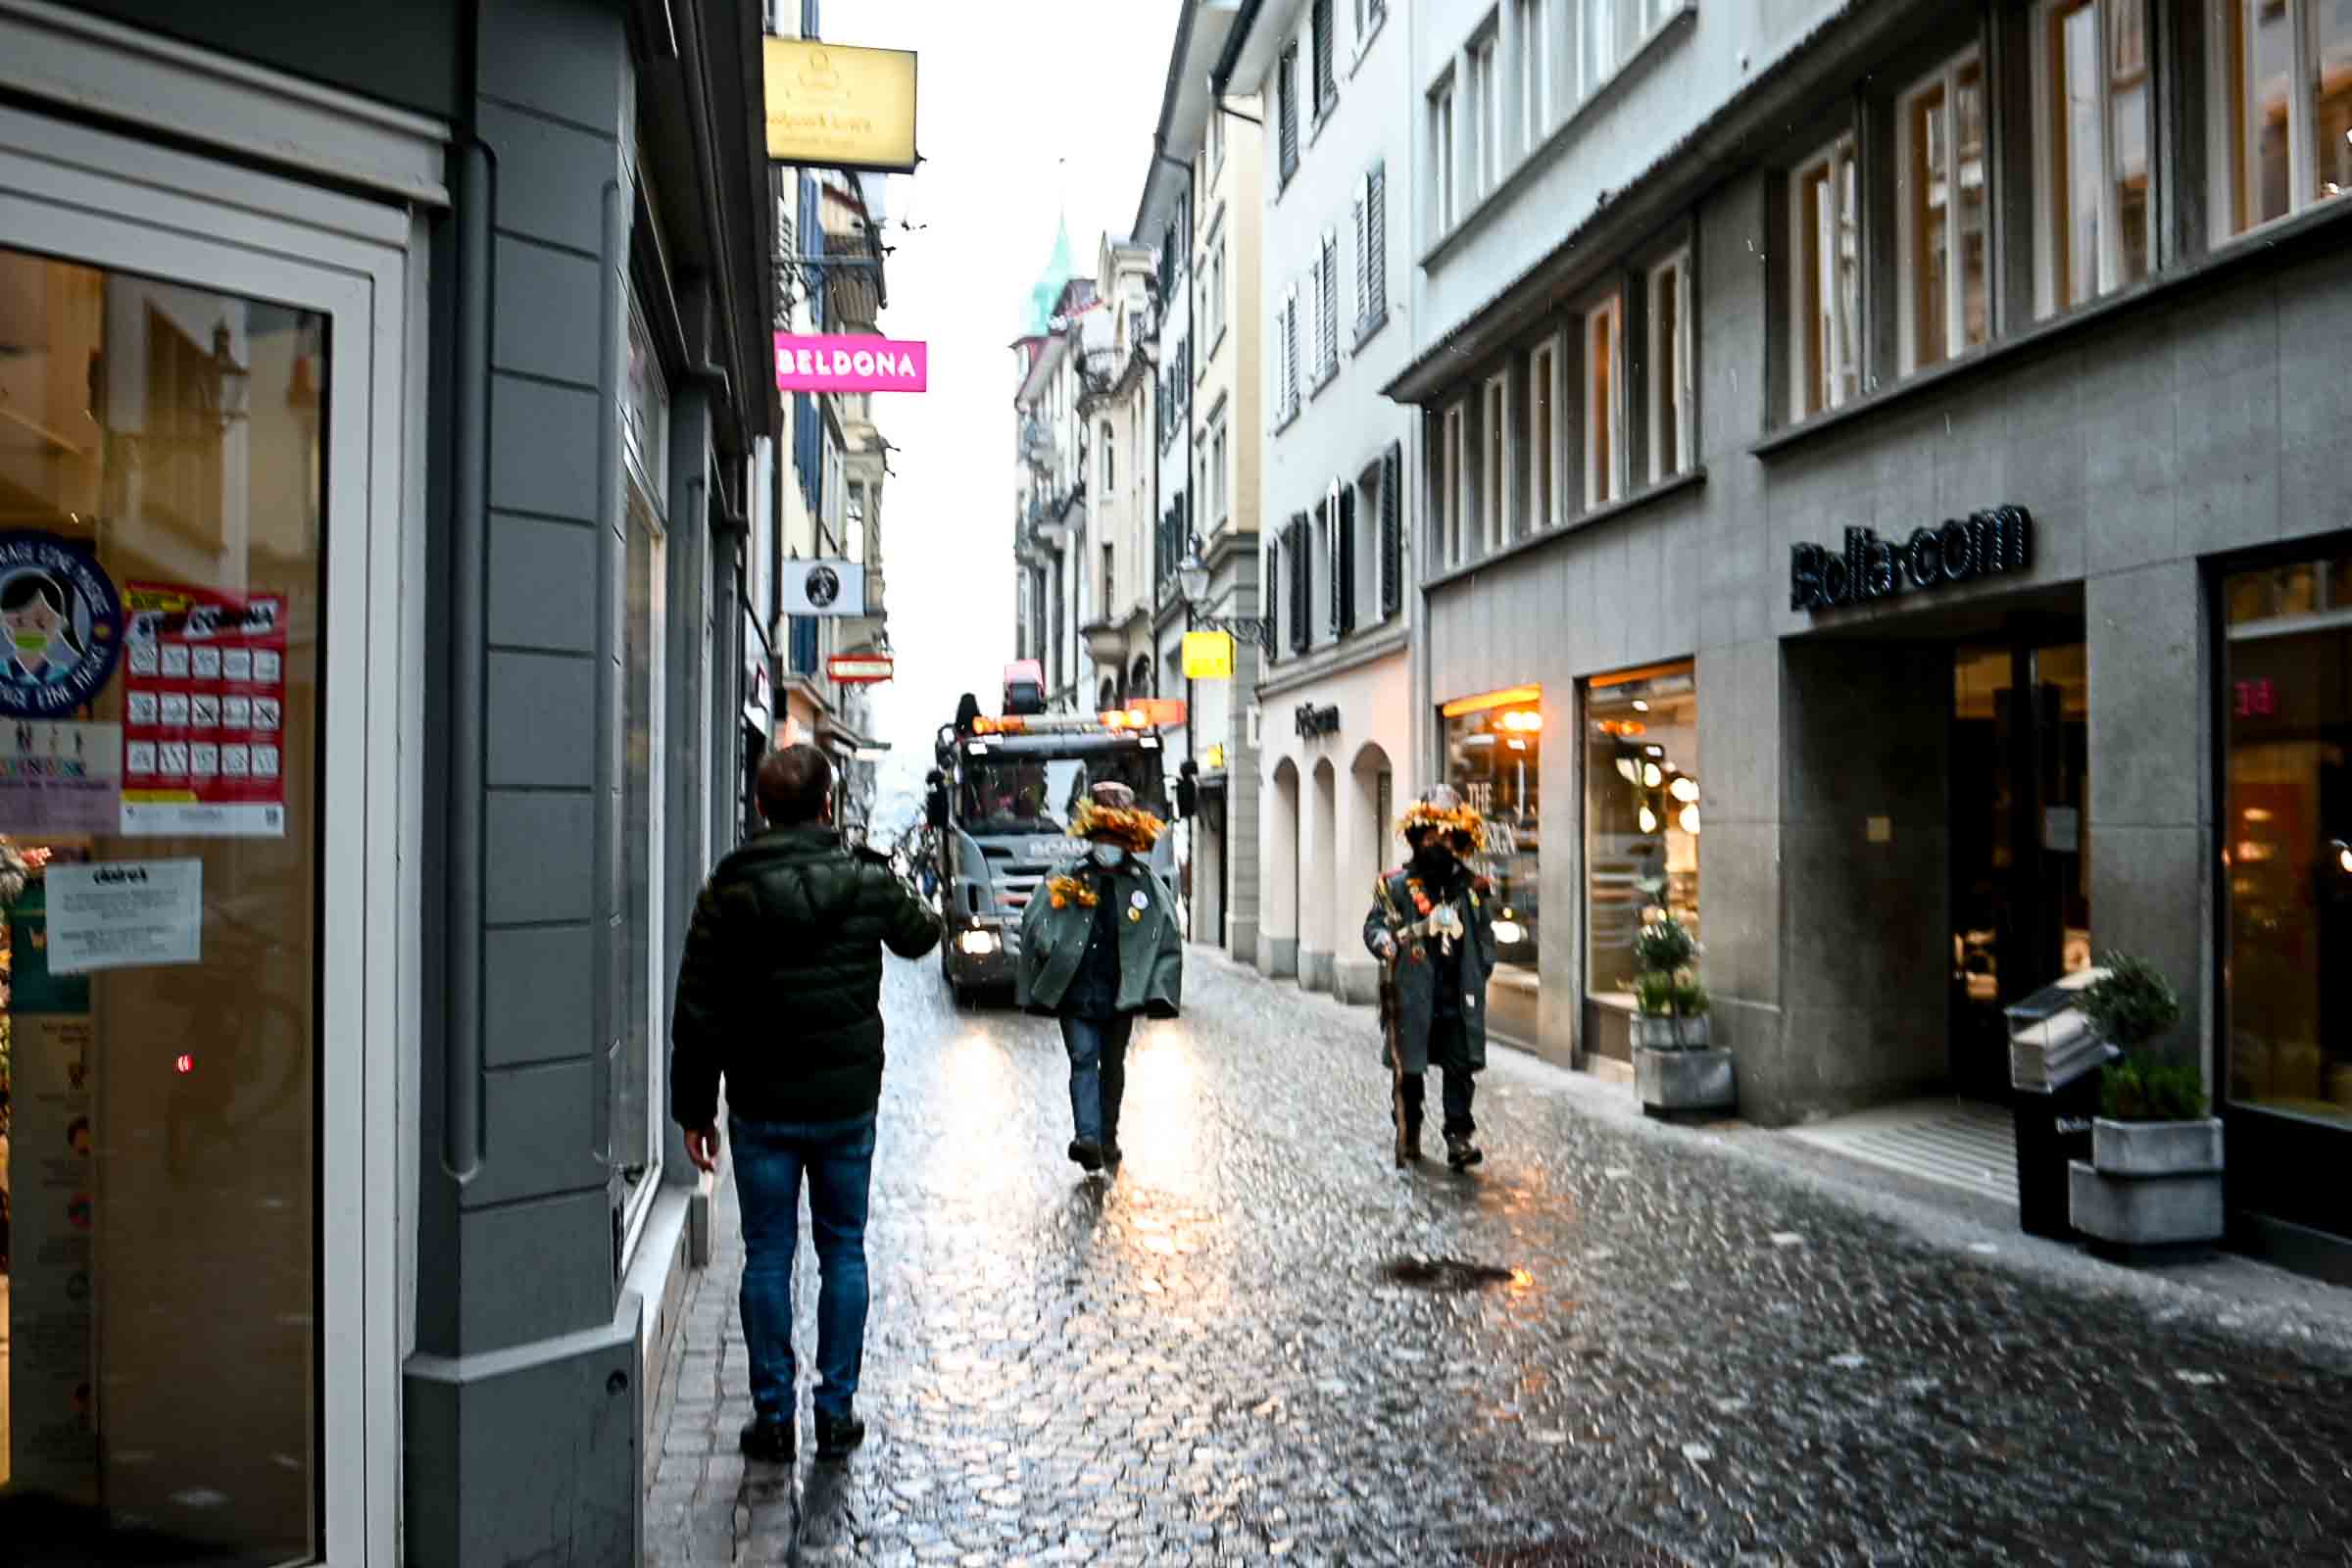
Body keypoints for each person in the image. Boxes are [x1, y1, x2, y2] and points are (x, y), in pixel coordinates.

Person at [669, 744, 940, 1466]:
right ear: (828, 805)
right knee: (843, 1247)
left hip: (760, 1101)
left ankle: (772, 1416)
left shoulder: (727, 890)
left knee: (767, 1254)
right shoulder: (863, 880)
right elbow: (924, 935)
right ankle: (836, 1410)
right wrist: (893, 871)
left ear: (761, 808)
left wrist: (695, 1108)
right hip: (846, 1102)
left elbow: (697, 1008)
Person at [1016, 781, 1182, 1172]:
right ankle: (1087, 1137)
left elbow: (1166, 934)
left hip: (1119, 993)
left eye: (1116, 837)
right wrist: (1050, 951)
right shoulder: (1066, 877)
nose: (1108, 845)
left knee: (1113, 1064)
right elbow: (1034, 922)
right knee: (1083, 1057)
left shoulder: (1145, 884)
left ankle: (1108, 1137)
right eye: (1102, 836)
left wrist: (1158, 990)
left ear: (1127, 839)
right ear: (1092, 835)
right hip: (1077, 990)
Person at [1362, 786, 1497, 1171]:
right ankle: (1409, 1132)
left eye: (1445, 836)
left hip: (1457, 993)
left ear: (1457, 840)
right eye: (1430, 836)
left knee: (1459, 1068)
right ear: (1418, 839)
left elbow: (1485, 936)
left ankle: (1458, 1136)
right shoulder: (1396, 885)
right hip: (1412, 992)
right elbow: (1375, 925)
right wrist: (1385, 941)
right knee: (1411, 1071)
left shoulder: (1472, 888)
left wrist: (1481, 967)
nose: (1438, 843)